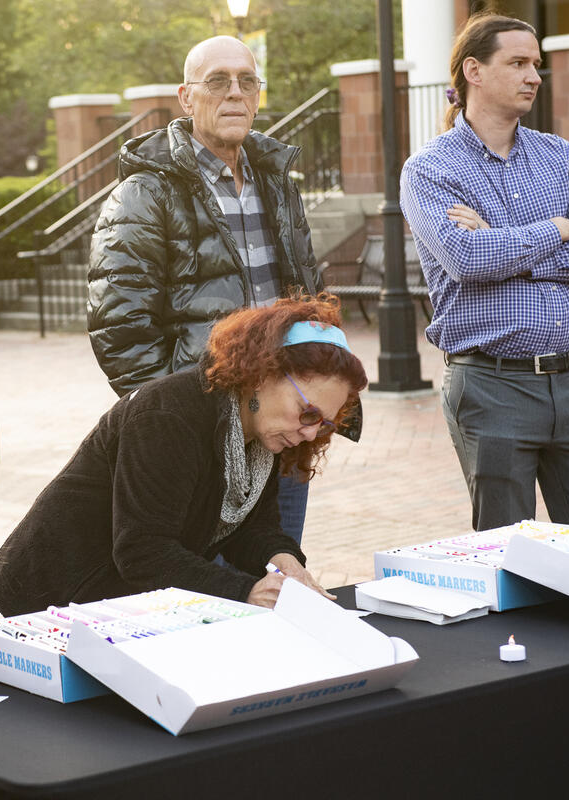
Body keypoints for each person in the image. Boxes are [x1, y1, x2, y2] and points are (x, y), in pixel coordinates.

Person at [87, 35, 355, 549]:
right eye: (217, 81)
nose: (235, 93)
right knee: (206, 586)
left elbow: (309, 295)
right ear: (187, 98)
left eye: (247, 81)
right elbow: (119, 326)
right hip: (205, 431)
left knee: (275, 567)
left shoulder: (276, 181)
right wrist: (173, 418)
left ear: (258, 94)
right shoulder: (145, 191)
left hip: (287, 423)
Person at [400, 13, 569, 533]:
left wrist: (500, 237)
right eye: (518, 62)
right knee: (511, 560)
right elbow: (468, 260)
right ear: (474, 71)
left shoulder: (561, 156)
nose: (534, 75)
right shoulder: (430, 170)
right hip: (492, 387)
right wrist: (555, 227)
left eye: (537, 64)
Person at [0, 295, 366, 616]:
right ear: (263, 375)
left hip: (106, 607)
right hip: (44, 603)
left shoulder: (262, 433)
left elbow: (253, 529)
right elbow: (143, 551)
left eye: (324, 424)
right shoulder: (169, 415)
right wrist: (246, 591)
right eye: (309, 413)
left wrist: (285, 561)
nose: (310, 433)